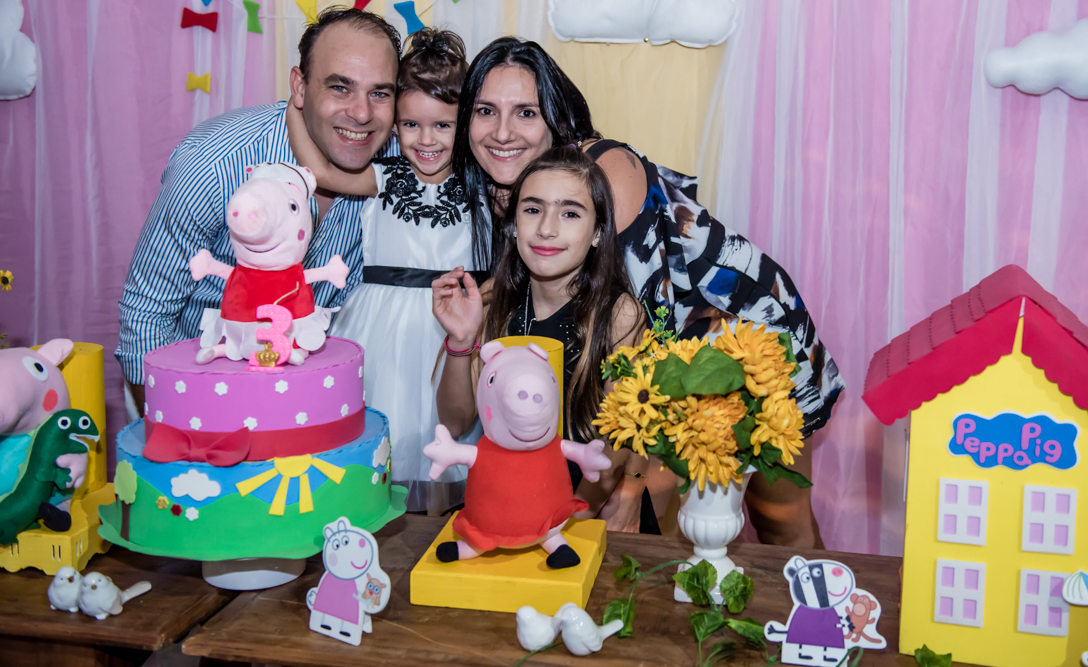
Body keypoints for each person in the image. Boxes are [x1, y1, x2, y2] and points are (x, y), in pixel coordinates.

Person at [451, 37, 845, 548]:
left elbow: (645, 346)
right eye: (486, 111)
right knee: (707, 526)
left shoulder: (602, 177)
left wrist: (637, 478)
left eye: (525, 111)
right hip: (678, 359)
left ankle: (818, 619)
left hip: (749, 332)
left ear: (555, 116)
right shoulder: (513, 188)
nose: (502, 131)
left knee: (777, 514)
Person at [115, 8, 403, 414]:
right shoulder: (216, 162)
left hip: (311, 400)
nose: (361, 113)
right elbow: (147, 310)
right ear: (299, 87)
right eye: (340, 88)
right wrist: (177, 426)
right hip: (196, 390)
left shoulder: (401, 168)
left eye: (380, 93)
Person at [285, 28, 483, 515]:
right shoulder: (387, 175)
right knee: (382, 427)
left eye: (443, 125)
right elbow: (321, 172)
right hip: (380, 326)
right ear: (395, 125)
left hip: (448, 324)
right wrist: (294, 109)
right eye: (411, 125)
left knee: (442, 433)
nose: (426, 139)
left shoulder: (480, 184)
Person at [432, 147, 652, 532]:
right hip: (508, 509)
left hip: (586, 510)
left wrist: (569, 521)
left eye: (570, 213)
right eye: (533, 209)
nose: (547, 228)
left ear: (599, 231)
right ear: (514, 223)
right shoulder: (490, 303)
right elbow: (455, 422)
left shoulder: (621, 316)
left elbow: (618, 444)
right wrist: (461, 338)